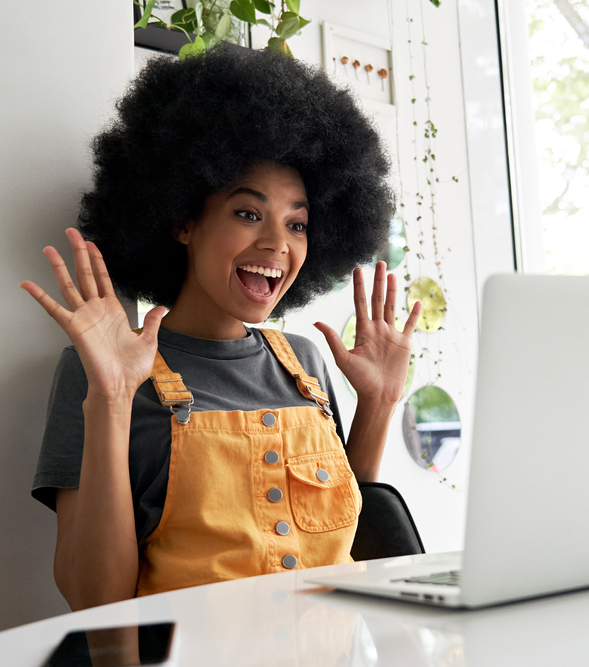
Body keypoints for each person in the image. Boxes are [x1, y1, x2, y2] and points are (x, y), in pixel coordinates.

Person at [21, 45, 422, 611]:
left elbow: (335, 538)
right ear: (184, 219)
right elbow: (95, 602)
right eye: (248, 213)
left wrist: (378, 403)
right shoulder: (99, 370)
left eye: (298, 223)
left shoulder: (304, 363)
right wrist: (111, 397)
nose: (277, 245)